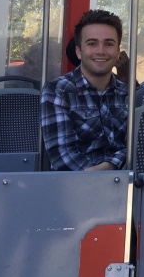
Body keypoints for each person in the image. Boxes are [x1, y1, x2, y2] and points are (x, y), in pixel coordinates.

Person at [41, 9, 128, 171]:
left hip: (124, 183)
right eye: (92, 43)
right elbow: (62, 156)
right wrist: (103, 174)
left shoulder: (128, 94)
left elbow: (135, 148)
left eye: (109, 44)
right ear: (79, 51)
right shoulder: (58, 90)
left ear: (118, 52)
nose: (101, 51)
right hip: (73, 184)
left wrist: (109, 167)